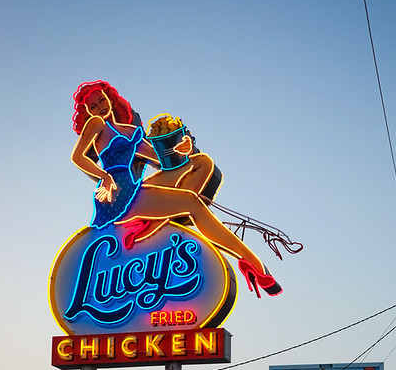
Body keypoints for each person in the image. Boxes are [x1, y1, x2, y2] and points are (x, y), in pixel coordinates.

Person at [71, 81, 281, 297]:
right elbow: (78, 157)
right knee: (192, 203)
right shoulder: (96, 125)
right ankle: (253, 264)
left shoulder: (129, 131)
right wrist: (103, 176)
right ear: (88, 112)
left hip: (133, 190)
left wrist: (183, 149)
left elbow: (163, 161)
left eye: (101, 101)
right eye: (93, 106)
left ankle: (148, 225)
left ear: (111, 99)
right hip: (116, 197)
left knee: (201, 163)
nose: (99, 107)